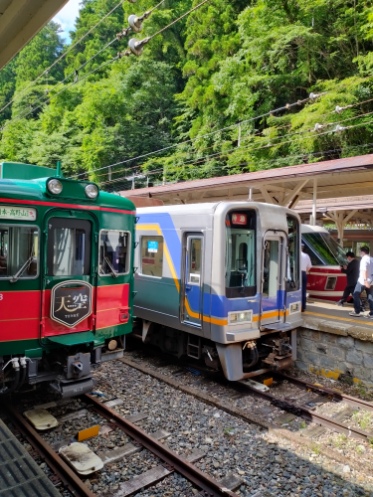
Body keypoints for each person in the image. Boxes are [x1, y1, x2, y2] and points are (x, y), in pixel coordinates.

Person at [349, 246, 373, 317]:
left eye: (360, 252)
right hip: (371, 280)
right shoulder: (372, 259)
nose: (359, 253)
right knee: (370, 296)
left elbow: (364, 270)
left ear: (362, 252)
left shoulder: (363, 260)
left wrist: (365, 280)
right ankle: (372, 313)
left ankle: (357, 311)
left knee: (356, 294)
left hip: (362, 281)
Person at [301, 244, 312, 312]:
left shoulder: (295, 255)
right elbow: (309, 267)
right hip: (304, 273)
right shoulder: (306, 256)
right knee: (303, 290)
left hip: (296, 274)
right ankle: (303, 306)